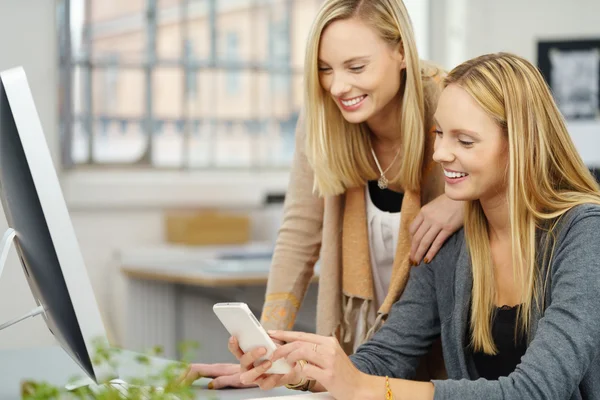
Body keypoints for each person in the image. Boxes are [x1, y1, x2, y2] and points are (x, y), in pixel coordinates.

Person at [232, 52, 600, 399]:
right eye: (439, 133)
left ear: (522, 145)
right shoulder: (455, 241)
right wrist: (301, 372)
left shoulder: (584, 234)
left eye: (465, 140)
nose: (440, 154)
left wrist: (368, 388)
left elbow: (534, 392)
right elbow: (385, 357)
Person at [181, 0, 465, 389]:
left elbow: (523, 172)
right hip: (368, 342)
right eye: (325, 69)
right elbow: (299, 234)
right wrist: (265, 353)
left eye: (356, 67)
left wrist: (458, 201)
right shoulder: (322, 120)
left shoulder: (451, 106)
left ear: (401, 51)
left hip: (443, 343)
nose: (337, 86)